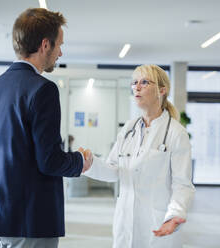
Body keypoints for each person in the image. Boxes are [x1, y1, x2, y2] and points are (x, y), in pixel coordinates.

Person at [0, 8, 92, 248]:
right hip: (30, 223)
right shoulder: (43, 90)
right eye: (59, 45)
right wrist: (80, 161)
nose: (61, 52)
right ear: (45, 45)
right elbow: (49, 160)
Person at [83, 64, 195, 248]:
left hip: (157, 222)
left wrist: (175, 215)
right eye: (134, 83)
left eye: (144, 82)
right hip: (125, 222)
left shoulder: (176, 133)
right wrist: (90, 164)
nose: (137, 87)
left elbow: (182, 184)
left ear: (162, 90)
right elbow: (114, 170)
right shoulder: (129, 129)